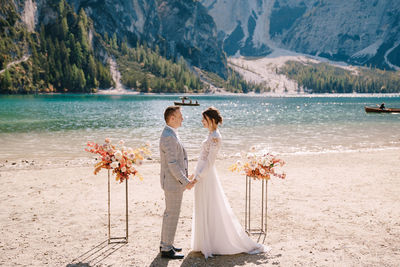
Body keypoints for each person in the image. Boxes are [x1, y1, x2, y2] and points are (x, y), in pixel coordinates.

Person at [190, 107, 271, 259]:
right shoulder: (210, 135)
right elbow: (202, 157)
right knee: (203, 205)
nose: (202, 122)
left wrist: (198, 176)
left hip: (206, 176)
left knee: (210, 206)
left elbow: (210, 161)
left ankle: (214, 242)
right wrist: (195, 172)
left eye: (204, 119)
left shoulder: (215, 137)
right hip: (201, 173)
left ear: (212, 120)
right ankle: (204, 241)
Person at [159, 106, 197, 259]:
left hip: (173, 182)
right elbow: (172, 163)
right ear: (172, 118)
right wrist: (185, 181)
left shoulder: (171, 133)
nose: (183, 118)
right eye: (180, 116)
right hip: (173, 182)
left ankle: (166, 243)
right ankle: (166, 249)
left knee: (170, 213)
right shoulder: (168, 136)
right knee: (172, 214)